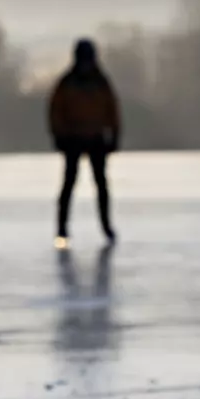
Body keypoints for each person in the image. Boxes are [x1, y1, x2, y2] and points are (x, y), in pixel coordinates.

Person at [47, 38, 120, 247]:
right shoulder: (68, 83)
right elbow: (56, 111)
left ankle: (106, 227)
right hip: (73, 139)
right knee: (69, 184)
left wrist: (114, 136)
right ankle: (62, 229)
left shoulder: (100, 82)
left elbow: (112, 110)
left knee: (101, 185)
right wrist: (59, 135)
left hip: (96, 138)